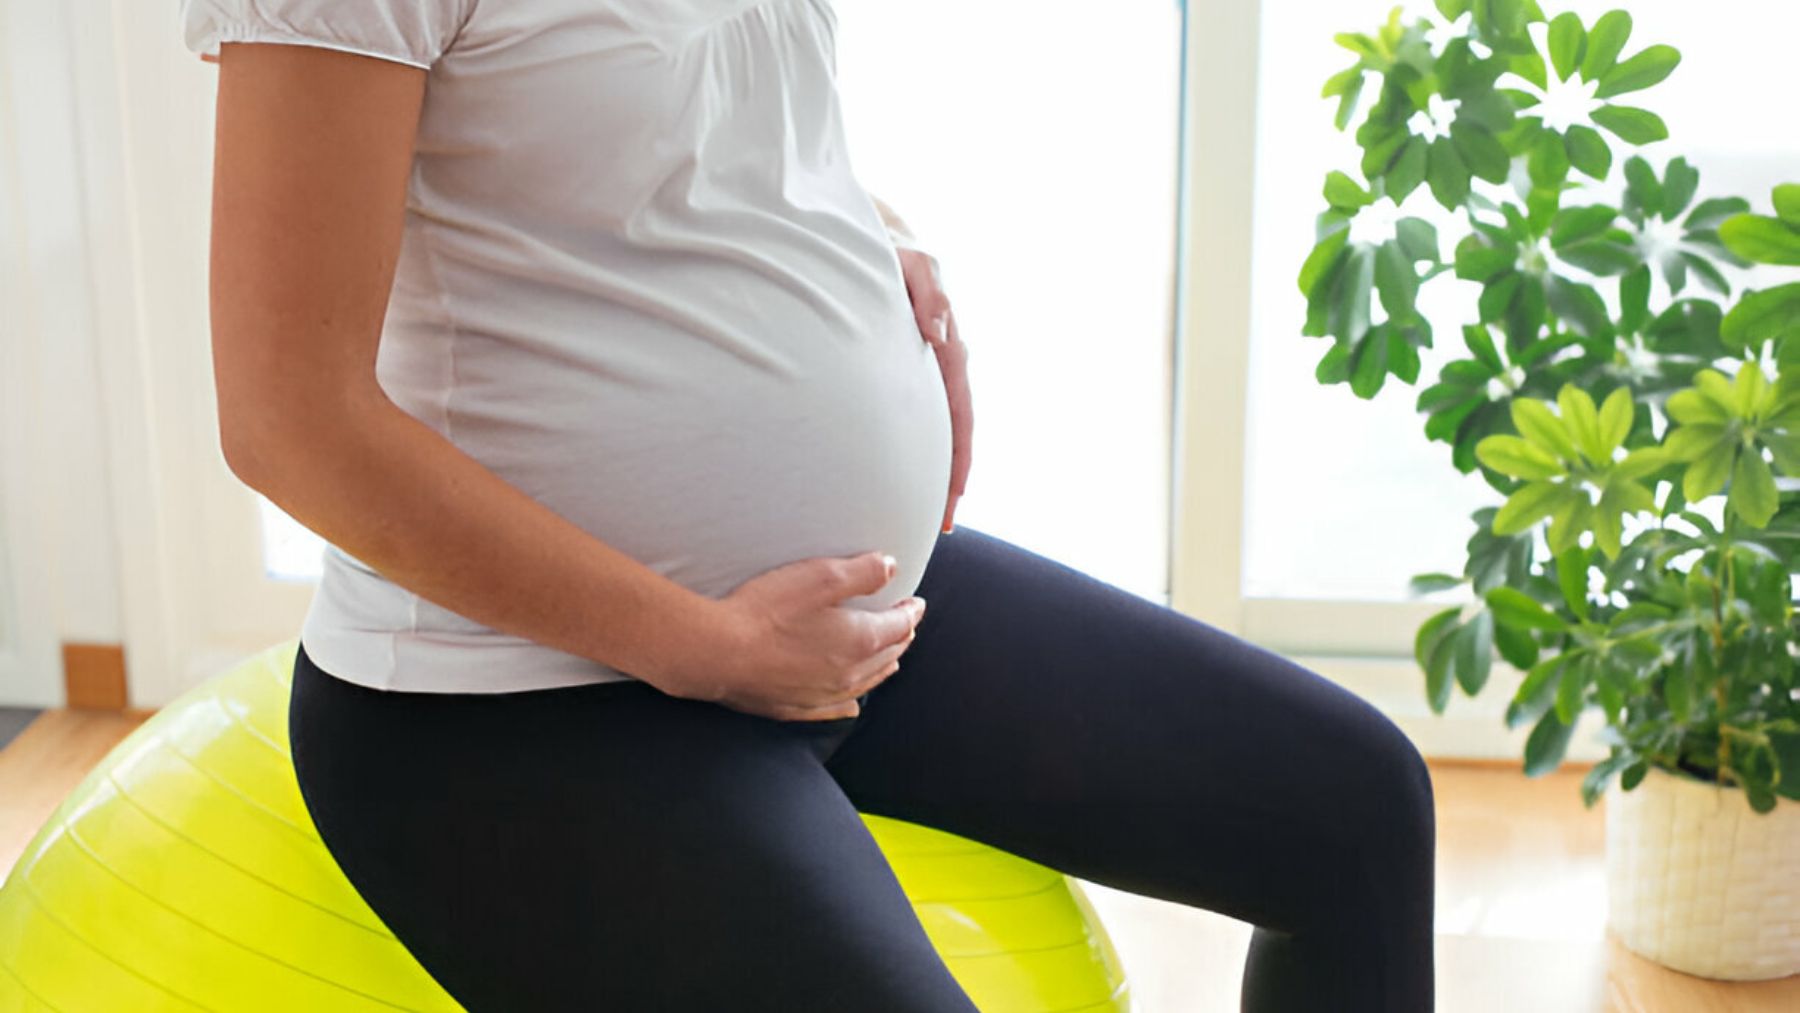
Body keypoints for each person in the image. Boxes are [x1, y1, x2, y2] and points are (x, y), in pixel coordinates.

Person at [179, 1, 1437, 1009]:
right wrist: (708, 646)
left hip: (844, 626)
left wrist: (873, 233)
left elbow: (661, 129)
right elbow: (292, 421)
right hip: (518, 709)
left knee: (1353, 812)